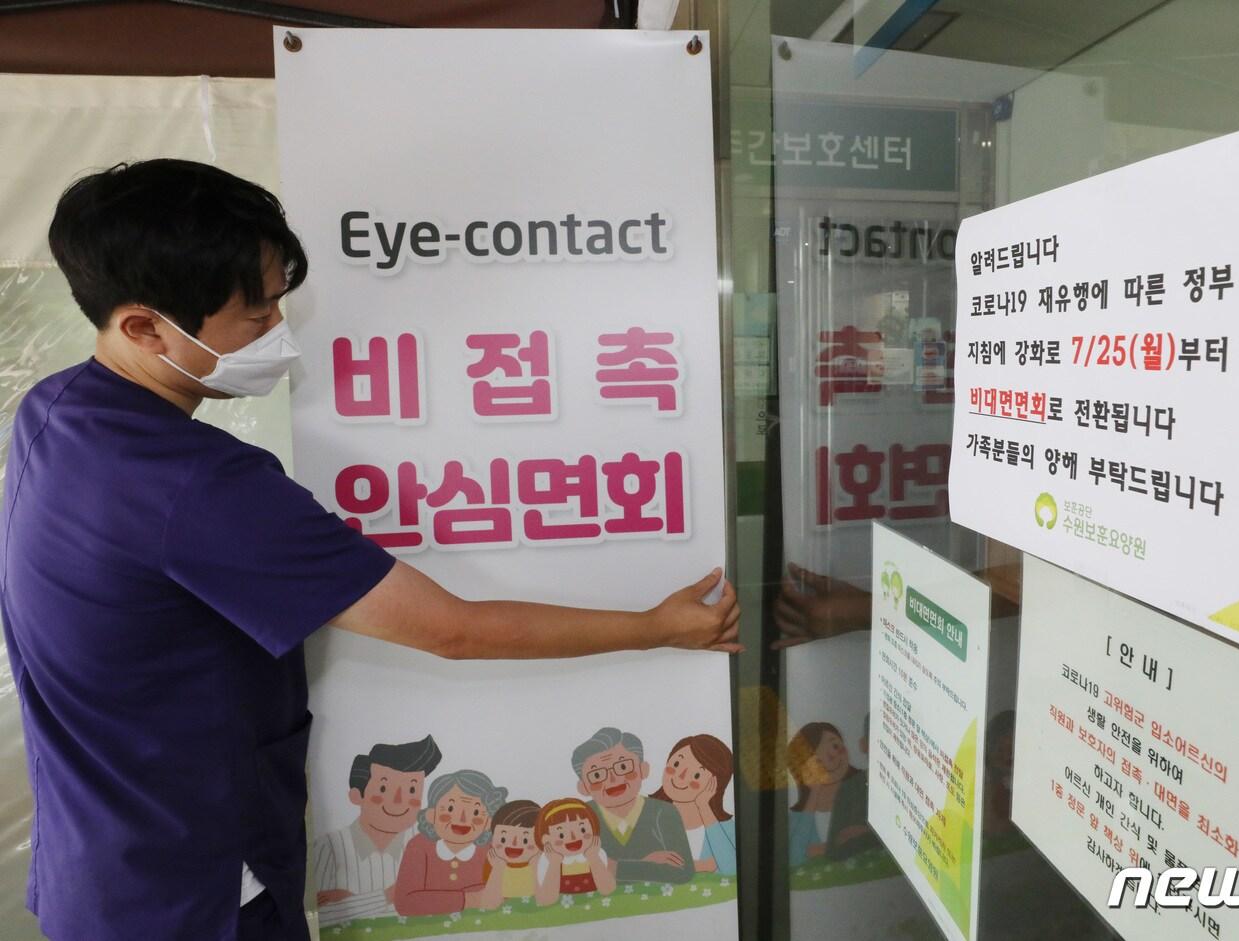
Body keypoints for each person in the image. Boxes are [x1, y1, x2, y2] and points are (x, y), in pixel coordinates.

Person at [0, 159, 741, 941]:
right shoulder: (200, 487)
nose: (279, 330)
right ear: (145, 327)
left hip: (99, 872)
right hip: (198, 894)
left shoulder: (56, 410)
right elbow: (452, 629)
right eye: (257, 316)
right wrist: (657, 626)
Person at [314, 734, 443, 925]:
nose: (400, 801)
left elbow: (441, 896)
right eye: (384, 789)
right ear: (357, 795)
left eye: (412, 790)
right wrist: (390, 895)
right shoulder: (328, 848)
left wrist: (352, 902)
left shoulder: (427, 843)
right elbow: (318, 917)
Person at [572, 726, 695, 884]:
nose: (613, 779)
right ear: (583, 787)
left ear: (643, 770)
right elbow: (575, 871)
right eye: (597, 775)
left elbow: (683, 872)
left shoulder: (664, 812)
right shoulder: (579, 817)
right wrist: (644, 865)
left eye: (623, 767)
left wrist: (611, 867)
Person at [394, 769, 508, 916]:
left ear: (489, 822)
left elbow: (503, 891)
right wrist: (471, 899)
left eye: (475, 812)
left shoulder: (492, 849)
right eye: (450, 808)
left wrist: (433, 897)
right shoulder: (419, 846)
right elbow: (405, 903)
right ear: (431, 815)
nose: (462, 819)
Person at [786, 722, 876, 866]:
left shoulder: (863, 793)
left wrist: (825, 849)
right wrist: (813, 793)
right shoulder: (798, 817)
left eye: (835, 746)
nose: (832, 757)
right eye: (817, 759)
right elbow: (795, 857)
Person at [650, 734, 738, 875]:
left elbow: (732, 870)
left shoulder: (724, 828)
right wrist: (699, 866)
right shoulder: (649, 817)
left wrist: (704, 807)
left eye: (697, 775)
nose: (680, 776)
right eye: (676, 764)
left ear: (715, 784)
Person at [534, 798, 615, 904]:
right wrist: (554, 863)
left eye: (582, 830)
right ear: (546, 839)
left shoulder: (596, 853)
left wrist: (593, 857)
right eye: (561, 834)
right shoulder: (547, 860)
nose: (573, 837)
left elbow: (608, 890)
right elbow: (548, 899)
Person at [483, 800, 544, 902]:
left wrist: (535, 866)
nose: (514, 844)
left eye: (525, 840)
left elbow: (542, 899)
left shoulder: (540, 860)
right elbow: (489, 903)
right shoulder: (494, 861)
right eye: (503, 839)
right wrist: (497, 868)